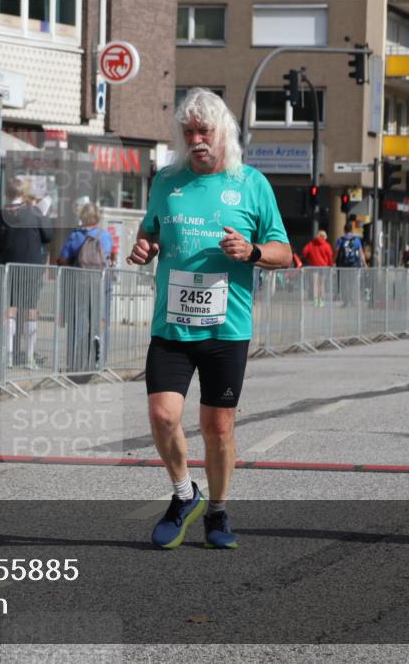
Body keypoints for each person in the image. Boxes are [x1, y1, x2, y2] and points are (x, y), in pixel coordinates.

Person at [126, 88, 291, 550]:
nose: (197, 139)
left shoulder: (251, 183)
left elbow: (285, 252)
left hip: (226, 327)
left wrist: (253, 251)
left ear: (224, 132)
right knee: (162, 415)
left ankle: (217, 513)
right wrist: (145, 248)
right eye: (188, 132)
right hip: (172, 327)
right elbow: (150, 233)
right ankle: (184, 495)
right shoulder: (166, 182)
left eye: (205, 131)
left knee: (218, 427)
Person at [0, 176, 53, 369]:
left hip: (8, 268)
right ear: (23, 193)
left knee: (10, 310)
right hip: (31, 269)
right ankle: (29, 357)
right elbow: (48, 236)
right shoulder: (33, 212)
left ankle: (8, 354)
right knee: (30, 311)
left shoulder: (0, 215)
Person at [58, 203, 113, 371]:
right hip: (101, 282)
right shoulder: (104, 236)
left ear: (82, 216)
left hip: (79, 282)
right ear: (97, 218)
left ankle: (77, 361)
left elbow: (63, 259)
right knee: (100, 319)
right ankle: (99, 360)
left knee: (79, 321)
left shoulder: (75, 236)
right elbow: (109, 255)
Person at [301, 229, 333, 307]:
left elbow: (304, 252)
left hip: (314, 267)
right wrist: (330, 265)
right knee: (321, 285)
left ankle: (315, 300)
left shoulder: (311, 244)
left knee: (315, 284)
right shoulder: (327, 245)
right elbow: (330, 256)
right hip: (324, 267)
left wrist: (308, 258)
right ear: (324, 236)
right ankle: (321, 301)